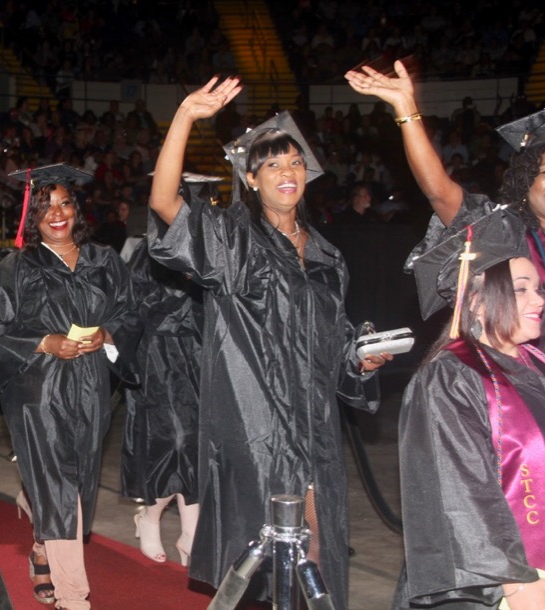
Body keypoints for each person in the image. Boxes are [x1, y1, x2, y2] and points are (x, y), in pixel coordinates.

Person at [148, 77, 388, 608]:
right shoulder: (231, 239)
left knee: (317, 547)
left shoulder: (327, 256)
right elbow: (165, 202)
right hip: (253, 423)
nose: (288, 172)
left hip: (313, 424)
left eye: (296, 162)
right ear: (251, 179)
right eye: (273, 164)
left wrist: (362, 361)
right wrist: (186, 115)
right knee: (259, 556)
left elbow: (337, 345)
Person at [0, 163, 138, 609]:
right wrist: (45, 342)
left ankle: (37, 526)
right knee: (60, 484)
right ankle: (75, 597)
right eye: (47, 206)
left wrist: (106, 335)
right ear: (33, 216)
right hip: (38, 390)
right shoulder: (16, 267)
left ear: (77, 209)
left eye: (65, 202)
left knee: (75, 479)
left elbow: (129, 312)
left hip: (90, 388)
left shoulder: (104, 261)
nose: (57, 213)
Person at [395, 209, 545, 609]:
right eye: (521, 289)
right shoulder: (451, 378)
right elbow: (460, 495)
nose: (540, 299)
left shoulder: (537, 365)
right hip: (494, 586)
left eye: (540, 288)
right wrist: (516, 584)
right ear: (477, 300)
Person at [344, 60, 545, 352]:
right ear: (525, 180)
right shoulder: (505, 234)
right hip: (524, 382)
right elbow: (440, 191)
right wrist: (406, 109)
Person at [121, 179, 207, 565]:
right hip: (158, 356)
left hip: (197, 354)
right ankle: (150, 516)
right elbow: (138, 306)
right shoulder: (147, 252)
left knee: (195, 445)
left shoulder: (206, 250)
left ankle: (191, 531)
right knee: (169, 443)